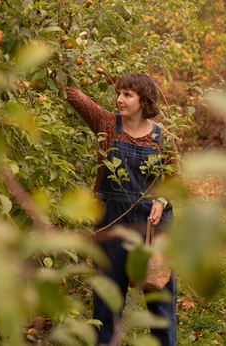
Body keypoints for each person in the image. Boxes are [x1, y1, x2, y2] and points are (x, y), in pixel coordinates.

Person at [64, 73, 179, 345]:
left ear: (144, 100)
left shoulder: (161, 136)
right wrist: (60, 62)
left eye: (127, 94)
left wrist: (162, 203)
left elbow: (175, 177)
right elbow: (73, 96)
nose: (119, 99)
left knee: (160, 299)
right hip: (112, 220)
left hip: (154, 222)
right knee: (107, 299)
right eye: (118, 93)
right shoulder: (106, 123)